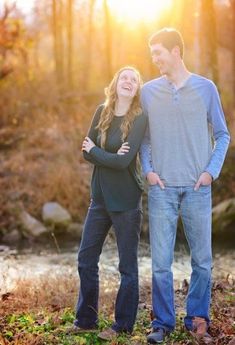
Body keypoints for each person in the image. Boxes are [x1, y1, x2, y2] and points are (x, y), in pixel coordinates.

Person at [139, 28, 230, 344]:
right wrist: (149, 171)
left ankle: (197, 319)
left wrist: (210, 173)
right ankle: (162, 323)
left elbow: (222, 135)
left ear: (176, 51)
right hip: (161, 189)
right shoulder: (148, 92)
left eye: (158, 53)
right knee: (161, 263)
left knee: (202, 260)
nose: (155, 60)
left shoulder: (206, 89)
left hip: (197, 189)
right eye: (152, 54)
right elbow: (144, 139)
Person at [72, 66, 147, 341]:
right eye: (124, 78)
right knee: (86, 259)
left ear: (137, 88)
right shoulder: (101, 111)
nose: (128, 82)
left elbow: (123, 162)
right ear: (115, 83)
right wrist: (103, 153)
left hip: (126, 200)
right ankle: (86, 319)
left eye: (134, 80)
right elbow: (85, 151)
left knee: (127, 266)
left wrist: (97, 151)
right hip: (100, 198)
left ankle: (123, 326)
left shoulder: (139, 118)